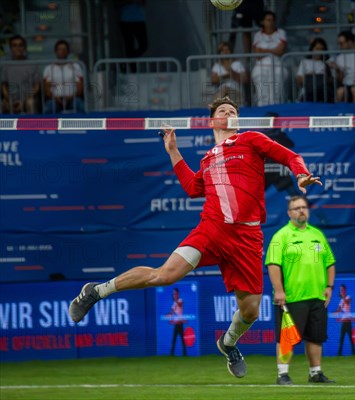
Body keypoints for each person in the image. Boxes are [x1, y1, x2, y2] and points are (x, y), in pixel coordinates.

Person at [68, 96, 322, 379]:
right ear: (213, 120)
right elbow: (192, 187)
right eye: (223, 110)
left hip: (247, 237)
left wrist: (301, 174)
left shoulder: (251, 139)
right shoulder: (208, 158)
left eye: (233, 111)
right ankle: (96, 290)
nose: (229, 113)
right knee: (163, 275)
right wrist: (173, 151)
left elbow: (288, 155)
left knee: (250, 311)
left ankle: (228, 344)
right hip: (211, 230)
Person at [265, 196, 335, 385]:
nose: (301, 210)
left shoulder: (317, 234)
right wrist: (279, 291)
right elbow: (272, 265)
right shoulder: (281, 236)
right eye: (296, 208)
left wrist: (329, 286)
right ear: (289, 213)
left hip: (317, 296)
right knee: (286, 338)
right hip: (291, 297)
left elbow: (329, 262)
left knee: (315, 337)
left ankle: (315, 373)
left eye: (304, 207)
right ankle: (282, 374)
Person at [251, 11, 287, 106]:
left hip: (277, 66)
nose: (270, 22)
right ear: (263, 22)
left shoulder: (281, 33)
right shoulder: (258, 35)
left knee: (276, 94)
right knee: (262, 94)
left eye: (272, 20)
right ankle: (262, 114)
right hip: (260, 67)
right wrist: (273, 50)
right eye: (268, 20)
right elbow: (257, 53)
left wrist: (264, 50)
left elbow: (281, 50)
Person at [42, 39, 85, 114]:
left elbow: (80, 87)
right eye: (60, 49)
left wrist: (70, 97)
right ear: (55, 51)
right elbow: (46, 89)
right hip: (54, 99)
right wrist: (55, 98)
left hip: (73, 98)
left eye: (64, 49)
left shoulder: (76, 66)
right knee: (49, 108)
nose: (62, 51)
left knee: (79, 106)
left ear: (68, 52)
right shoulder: (48, 68)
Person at [1, 34, 40, 114]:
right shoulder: (6, 65)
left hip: (28, 99)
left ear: (24, 48)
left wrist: (24, 100)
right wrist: (9, 100)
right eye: (14, 45)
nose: (18, 48)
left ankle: (32, 126)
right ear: (11, 48)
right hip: (10, 100)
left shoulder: (32, 64)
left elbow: (37, 86)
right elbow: (4, 86)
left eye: (20, 45)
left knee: (30, 103)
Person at [296, 37, 333, 103]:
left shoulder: (327, 63)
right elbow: (299, 79)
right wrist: (309, 78)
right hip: (308, 92)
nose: (319, 51)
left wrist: (323, 78)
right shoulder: (305, 62)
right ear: (312, 49)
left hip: (323, 92)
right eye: (317, 49)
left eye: (322, 49)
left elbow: (332, 80)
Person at [333, 284, 355, 356]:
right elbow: (338, 310)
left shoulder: (348, 297)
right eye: (340, 290)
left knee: (350, 338)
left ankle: (353, 354)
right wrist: (333, 314)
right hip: (343, 322)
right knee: (341, 338)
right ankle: (339, 354)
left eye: (342, 290)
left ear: (344, 290)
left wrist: (342, 296)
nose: (341, 291)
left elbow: (347, 302)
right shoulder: (341, 301)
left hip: (348, 322)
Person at [166, 287, 187, 356]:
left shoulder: (180, 300)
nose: (174, 295)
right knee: (174, 340)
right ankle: (171, 355)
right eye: (173, 294)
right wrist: (167, 316)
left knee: (183, 340)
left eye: (175, 293)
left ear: (177, 294)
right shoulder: (174, 304)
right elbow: (171, 313)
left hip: (180, 324)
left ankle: (185, 355)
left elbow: (180, 305)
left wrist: (175, 300)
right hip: (176, 324)